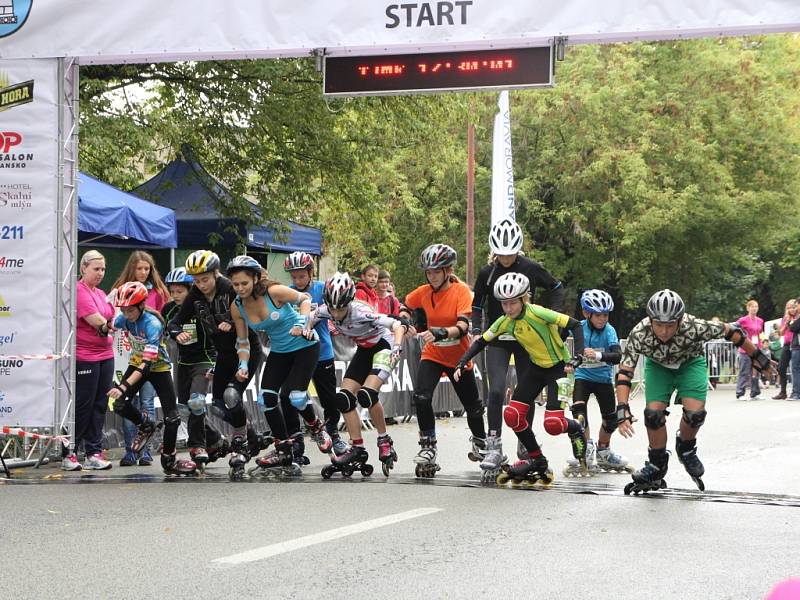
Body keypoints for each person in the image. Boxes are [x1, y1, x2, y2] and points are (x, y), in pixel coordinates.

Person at [615, 289, 773, 494]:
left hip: (690, 363)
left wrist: (758, 357)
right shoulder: (639, 332)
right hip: (658, 367)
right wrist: (622, 407)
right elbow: (625, 373)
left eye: (670, 325)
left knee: (695, 414)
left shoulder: (694, 326)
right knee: (653, 415)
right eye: (659, 325)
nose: (664, 332)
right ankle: (656, 465)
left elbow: (734, 332)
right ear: (650, 320)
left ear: (680, 321)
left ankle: (686, 448)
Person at [455, 272, 585, 485]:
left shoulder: (539, 312)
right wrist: (462, 361)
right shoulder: (505, 321)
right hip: (536, 368)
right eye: (504, 304)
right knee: (513, 415)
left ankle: (576, 428)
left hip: (559, 368)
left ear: (524, 298)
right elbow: (482, 341)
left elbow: (576, 325)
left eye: (512, 303)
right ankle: (537, 460)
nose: (508, 309)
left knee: (553, 424)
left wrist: (578, 356)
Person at [470, 219, 566, 464]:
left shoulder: (531, 267)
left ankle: (525, 443)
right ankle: (494, 444)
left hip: (528, 338)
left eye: (510, 253)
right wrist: (477, 329)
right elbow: (477, 304)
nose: (506, 258)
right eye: (501, 254)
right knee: (497, 389)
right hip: (499, 337)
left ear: (518, 249)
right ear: (494, 251)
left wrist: (552, 318)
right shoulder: (487, 273)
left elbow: (556, 287)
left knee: (526, 392)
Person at [228, 255, 332, 477]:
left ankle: (317, 427)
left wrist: (301, 322)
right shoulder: (237, 306)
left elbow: (304, 299)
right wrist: (243, 363)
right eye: (235, 284)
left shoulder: (273, 292)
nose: (240, 288)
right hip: (280, 351)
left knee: (295, 396)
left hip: (305, 345)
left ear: (255, 279)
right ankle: (283, 449)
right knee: (265, 398)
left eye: (244, 283)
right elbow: (243, 341)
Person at [168, 250, 265, 479]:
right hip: (224, 354)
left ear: (216, 273)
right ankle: (252, 436)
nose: (201, 285)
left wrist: (232, 321)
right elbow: (175, 321)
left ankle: (239, 446)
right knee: (220, 407)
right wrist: (176, 332)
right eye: (197, 280)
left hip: (247, 349)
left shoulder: (230, 288)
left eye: (205, 279)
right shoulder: (195, 295)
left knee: (232, 397)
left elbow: (252, 311)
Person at [398, 244, 488, 478]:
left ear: (448, 270)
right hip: (433, 354)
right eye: (428, 272)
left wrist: (440, 332)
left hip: (458, 357)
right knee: (421, 397)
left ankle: (481, 443)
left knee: (473, 407)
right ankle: (428, 446)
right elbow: (405, 305)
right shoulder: (424, 291)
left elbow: (463, 326)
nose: (432, 276)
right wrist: (406, 320)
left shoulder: (461, 292)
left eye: (436, 271)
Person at [306, 272, 404, 478]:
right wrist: (305, 329)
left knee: (367, 395)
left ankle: (384, 439)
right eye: (332, 307)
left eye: (341, 307)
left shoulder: (361, 312)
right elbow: (312, 317)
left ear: (349, 302)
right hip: (364, 350)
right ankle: (357, 447)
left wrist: (397, 347)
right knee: (343, 399)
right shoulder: (327, 310)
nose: (336, 312)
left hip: (384, 346)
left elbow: (396, 325)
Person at [108, 282, 196, 475]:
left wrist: (123, 386)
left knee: (172, 418)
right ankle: (146, 425)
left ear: (141, 306)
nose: (126, 314)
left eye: (130, 310)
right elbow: (109, 325)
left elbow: (146, 366)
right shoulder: (124, 319)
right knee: (119, 405)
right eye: (123, 310)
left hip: (157, 367)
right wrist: (103, 327)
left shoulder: (152, 324)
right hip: (136, 363)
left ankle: (169, 457)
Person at [283, 252, 348, 458]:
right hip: (295, 353)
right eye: (293, 277)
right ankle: (295, 441)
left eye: (301, 276)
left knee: (328, 398)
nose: (297, 281)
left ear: (311, 273)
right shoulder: (288, 293)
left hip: (321, 352)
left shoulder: (322, 289)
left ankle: (334, 434)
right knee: (290, 396)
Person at [111, 251, 170, 466]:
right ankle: (130, 450)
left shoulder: (156, 300)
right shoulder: (121, 293)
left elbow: (164, 317)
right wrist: (103, 327)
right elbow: (112, 322)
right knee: (125, 403)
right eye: (139, 269)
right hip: (130, 355)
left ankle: (145, 451)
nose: (144, 272)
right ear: (132, 269)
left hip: (152, 359)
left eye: (147, 269)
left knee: (146, 402)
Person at [564, 289, 630, 476]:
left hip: (603, 379)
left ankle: (604, 451)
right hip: (583, 377)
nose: (603, 319)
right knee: (579, 415)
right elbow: (558, 337)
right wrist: (566, 362)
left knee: (610, 420)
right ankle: (586, 448)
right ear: (587, 313)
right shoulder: (579, 327)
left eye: (606, 315)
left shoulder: (609, 331)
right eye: (599, 315)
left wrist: (599, 354)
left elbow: (617, 356)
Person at [162, 267, 219, 470]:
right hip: (183, 362)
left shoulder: (201, 305)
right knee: (185, 408)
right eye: (173, 291)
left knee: (197, 401)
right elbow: (163, 328)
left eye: (180, 291)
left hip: (204, 358)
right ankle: (215, 438)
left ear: (190, 290)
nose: (176, 296)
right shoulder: (168, 309)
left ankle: (197, 446)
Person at [62, 250, 114, 471]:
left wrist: (109, 324)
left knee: (100, 405)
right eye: (96, 269)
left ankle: (93, 451)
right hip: (86, 356)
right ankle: (69, 452)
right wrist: (107, 325)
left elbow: (111, 317)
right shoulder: (79, 290)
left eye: (103, 269)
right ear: (83, 268)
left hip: (106, 355)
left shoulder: (101, 293)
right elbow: (100, 321)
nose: (100, 273)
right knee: (84, 405)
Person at [735, 299, 765, 401]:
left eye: (756, 306)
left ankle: (755, 393)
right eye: (752, 306)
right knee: (744, 371)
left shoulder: (760, 320)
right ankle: (740, 393)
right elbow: (734, 328)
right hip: (745, 349)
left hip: (757, 348)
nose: (754, 308)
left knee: (756, 371)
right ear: (748, 308)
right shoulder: (743, 320)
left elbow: (760, 333)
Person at [773, 299, 797, 400]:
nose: (791, 309)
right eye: (788, 307)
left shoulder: (798, 317)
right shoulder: (785, 318)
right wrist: (786, 323)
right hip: (787, 344)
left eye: (792, 307)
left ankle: (796, 392)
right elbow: (781, 333)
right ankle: (783, 392)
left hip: (796, 344)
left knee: (796, 369)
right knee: (781, 367)